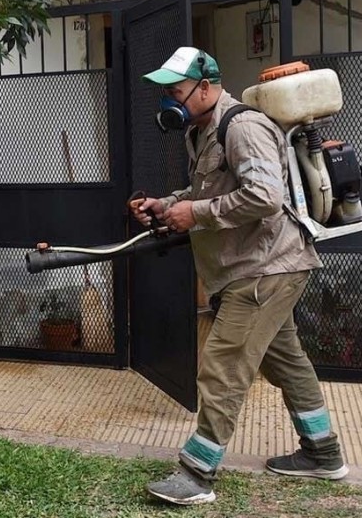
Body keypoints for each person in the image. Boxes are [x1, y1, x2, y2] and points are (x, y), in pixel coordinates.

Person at [130, 47, 348, 506]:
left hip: (265, 268)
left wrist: (197, 214)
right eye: (166, 92)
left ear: (206, 87)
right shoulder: (201, 130)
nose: (170, 101)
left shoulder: (242, 126)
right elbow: (207, 190)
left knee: (223, 366)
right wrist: (168, 205)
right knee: (285, 361)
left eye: (176, 91)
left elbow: (265, 198)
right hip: (253, 267)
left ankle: (197, 473)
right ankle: (323, 453)